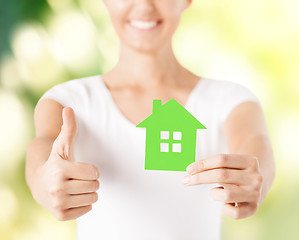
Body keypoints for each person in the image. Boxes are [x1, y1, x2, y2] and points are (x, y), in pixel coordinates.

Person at [25, 0, 276, 239]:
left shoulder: (230, 100)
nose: (145, 5)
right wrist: (42, 180)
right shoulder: (68, 101)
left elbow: (254, 147)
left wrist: (256, 181)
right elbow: (41, 149)